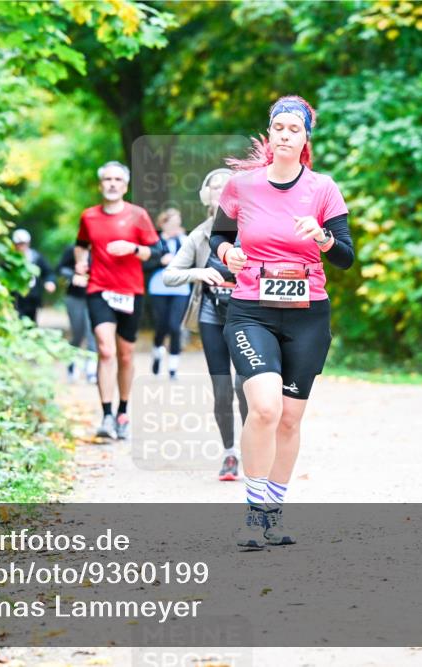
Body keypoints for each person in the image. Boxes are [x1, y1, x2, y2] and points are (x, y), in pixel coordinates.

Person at [210, 95, 355, 550]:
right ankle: (253, 514)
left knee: (290, 420)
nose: (286, 135)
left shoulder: (323, 188)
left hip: (307, 315)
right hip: (251, 310)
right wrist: (228, 253)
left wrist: (323, 238)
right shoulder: (241, 186)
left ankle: (273, 512)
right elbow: (219, 236)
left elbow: (346, 256)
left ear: (306, 137)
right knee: (265, 409)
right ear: (269, 134)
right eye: (279, 128)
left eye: (295, 129)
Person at [163, 168, 249, 481]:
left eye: (227, 186)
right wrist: (197, 273)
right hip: (212, 316)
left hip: (247, 315)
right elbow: (169, 275)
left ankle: (253, 449)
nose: (221, 191)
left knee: (246, 387)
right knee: (223, 390)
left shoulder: (252, 229)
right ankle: (229, 454)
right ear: (205, 196)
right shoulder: (198, 235)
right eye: (215, 187)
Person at [74, 161, 162, 440]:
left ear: (125, 186)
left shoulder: (138, 215)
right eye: (107, 179)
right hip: (98, 288)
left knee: (125, 354)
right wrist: (80, 264)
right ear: (101, 185)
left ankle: (123, 411)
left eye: (117, 180)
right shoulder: (89, 216)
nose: (112, 184)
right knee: (105, 350)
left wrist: (133, 248)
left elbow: (156, 252)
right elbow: (81, 245)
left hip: (130, 292)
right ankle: (106, 415)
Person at [146, 208, 191, 380]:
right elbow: (145, 265)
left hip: (180, 289)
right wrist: (160, 261)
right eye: (171, 223)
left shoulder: (184, 240)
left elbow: (194, 261)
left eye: (177, 223)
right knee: (161, 326)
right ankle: (157, 354)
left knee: (175, 327)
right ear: (163, 224)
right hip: (159, 288)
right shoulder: (154, 241)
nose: (175, 227)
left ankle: (173, 368)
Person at [57, 244, 98, 384]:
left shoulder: (100, 249)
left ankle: (91, 369)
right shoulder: (73, 249)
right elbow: (60, 268)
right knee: (78, 333)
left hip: (94, 297)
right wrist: (73, 276)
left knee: (91, 333)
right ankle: (72, 363)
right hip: (75, 297)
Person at [11, 228, 55, 323]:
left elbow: (48, 272)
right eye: (18, 244)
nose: (21, 247)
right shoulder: (10, 259)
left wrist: (50, 282)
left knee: (31, 322)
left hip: (32, 297)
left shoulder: (36, 257)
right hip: (16, 297)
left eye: (23, 244)